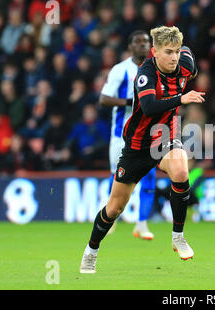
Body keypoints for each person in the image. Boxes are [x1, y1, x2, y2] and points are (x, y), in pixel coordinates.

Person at [80, 26, 203, 273]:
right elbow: (148, 107)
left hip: (165, 137)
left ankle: (178, 236)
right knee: (115, 207)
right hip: (137, 146)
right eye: (168, 52)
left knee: (181, 171)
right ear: (155, 52)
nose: (174, 57)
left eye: (177, 51)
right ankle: (91, 251)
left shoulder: (185, 64)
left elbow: (189, 59)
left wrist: (181, 49)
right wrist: (182, 98)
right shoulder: (145, 73)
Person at [99, 30, 156, 240]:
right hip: (121, 134)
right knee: (117, 175)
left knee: (149, 175)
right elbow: (104, 99)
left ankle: (141, 224)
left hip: (149, 133)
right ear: (130, 46)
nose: (141, 45)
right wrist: (130, 103)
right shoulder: (120, 70)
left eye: (145, 42)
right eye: (137, 42)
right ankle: (109, 218)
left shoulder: (157, 69)